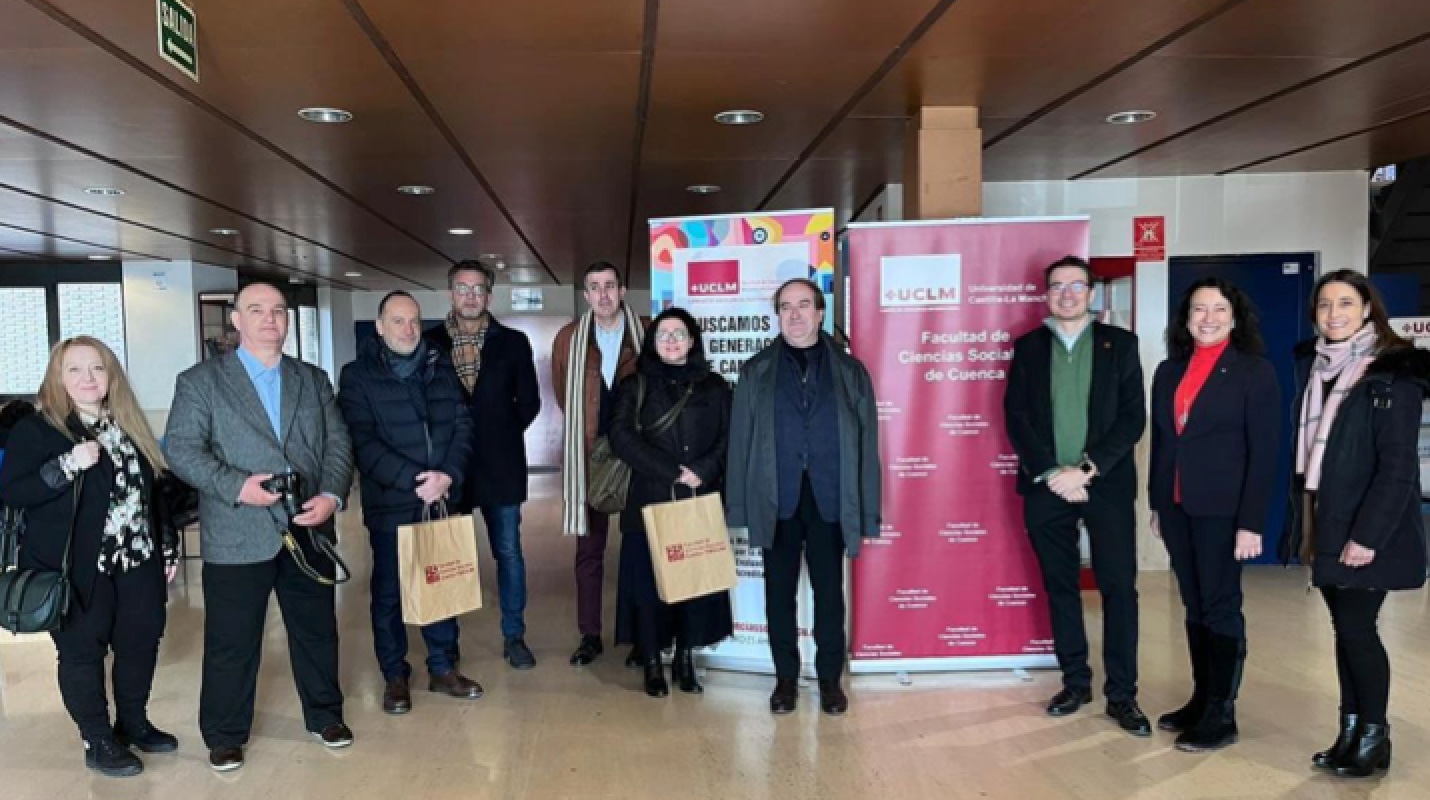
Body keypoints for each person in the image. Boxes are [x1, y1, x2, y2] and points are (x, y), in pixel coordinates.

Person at [164, 282, 355, 773]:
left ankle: (325, 716)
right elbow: (181, 449)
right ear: (236, 319)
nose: (270, 319)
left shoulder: (312, 379)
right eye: (257, 310)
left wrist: (331, 496)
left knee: (316, 630)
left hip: (308, 524)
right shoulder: (201, 381)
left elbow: (338, 443)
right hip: (237, 531)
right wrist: (236, 486)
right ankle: (225, 736)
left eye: (278, 311)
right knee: (232, 640)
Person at [0, 337, 177, 778]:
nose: (87, 378)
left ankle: (133, 723)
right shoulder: (38, 430)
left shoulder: (128, 424)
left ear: (111, 375)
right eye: (74, 369)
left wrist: (167, 543)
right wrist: (65, 466)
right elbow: (15, 492)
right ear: (58, 379)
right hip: (74, 567)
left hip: (137, 559)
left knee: (140, 642)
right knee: (82, 651)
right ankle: (97, 739)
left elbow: (152, 492)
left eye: (97, 368)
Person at [1282, 269, 1428, 778]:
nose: (1334, 314)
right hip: (1326, 517)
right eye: (1325, 304)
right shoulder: (1316, 369)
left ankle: (1373, 737)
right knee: (1345, 631)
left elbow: (1398, 468)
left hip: (1367, 526)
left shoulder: (1393, 375)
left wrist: (1367, 536)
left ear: (1368, 309)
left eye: (1346, 303)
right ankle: (1349, 731)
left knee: (1357, 630)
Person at [1003, 255, 1149, 735]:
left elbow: (1132, 418)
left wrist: (1085, 470)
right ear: (1046, 294)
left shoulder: (1121, 344)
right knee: (1061, 586)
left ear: (1091, 293)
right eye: (1057, 286)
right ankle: (1075, 683)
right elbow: (1016, 418)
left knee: (1118, 589)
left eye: (1076, 285)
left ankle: (1122, 696)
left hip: (1104, 483)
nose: (1066, 294)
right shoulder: (1028, 348)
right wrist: (1051, 472)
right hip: (1047, 486)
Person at [726, 277, 881, 716]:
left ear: (820, 312)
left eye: (803, 305)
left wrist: (868, 509)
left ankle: (830, 680)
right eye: (786, 307)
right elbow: (741, 441)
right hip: (777, 500)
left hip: (830, 499)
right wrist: (739, 508)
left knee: (830, 595)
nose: (794, 314)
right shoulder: (755, 372)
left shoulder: (851, 372)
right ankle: (785, 681)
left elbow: (867, 444)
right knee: (779, 595)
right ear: (777, 315)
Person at [1148, 278, 1280, 752]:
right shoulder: (1168, 371)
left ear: (1235, 316)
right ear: (1186, 319)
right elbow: (1163, 441)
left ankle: (1222, 714)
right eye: (1198, 310)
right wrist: (1158, 503)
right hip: (1177, 506)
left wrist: (1252, 522)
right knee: (1194, 603)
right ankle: (1201, 699)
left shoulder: (1254, 371)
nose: (1208, 319)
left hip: (1224, 509)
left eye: (1219, 309)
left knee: (1220, 605)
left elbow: (1264, 452)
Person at [339, 291, 482, 715]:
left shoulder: (441, 367)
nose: (408, 329)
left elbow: (463, 425)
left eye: (414, 320)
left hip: (440, 498)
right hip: (392, 503)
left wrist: (448, 475)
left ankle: (443, 668)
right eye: (398, 321)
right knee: (389, 594)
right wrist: (414, 481)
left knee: (442, 583)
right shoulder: (357, 375)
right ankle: (394, 676)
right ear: (379, 326)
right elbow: (362, 441)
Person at [609, 308, 734, 697]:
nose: (671, 341)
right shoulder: (635, 385)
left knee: (694, 586)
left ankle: (685, 658)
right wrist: (672, 472)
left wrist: (703, 470)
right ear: (653, 342)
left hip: (698, 498)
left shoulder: (715, 386)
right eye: (663, 334)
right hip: (650, 502)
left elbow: (729, 436)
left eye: (679, 333)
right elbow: (621, 437)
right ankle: (651, 662)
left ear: (692, 340)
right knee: (649, 589)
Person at [425, 261, 541, 670]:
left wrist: (501, 432)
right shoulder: (430, 343)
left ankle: (514, 635)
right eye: (463, 288)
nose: (470, 296)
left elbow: (530, 402)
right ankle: (447, 642)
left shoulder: (512, 342)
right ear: (451, 293)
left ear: (488, 295)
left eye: (478, 289)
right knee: (448, 555)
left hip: (501, 464)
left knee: (508, 552)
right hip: (448, 467)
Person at [552, 260, 643, 667]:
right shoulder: (568, 338)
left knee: (639, 549)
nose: (603, 294)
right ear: (586, 295)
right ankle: (590, 635)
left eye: (610, 285)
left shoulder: (645, 333)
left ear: (621, 291)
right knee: (589, 552)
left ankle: (641, 634)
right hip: (589, 457)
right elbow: (562, 393)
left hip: (638, 455)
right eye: (595, 286)